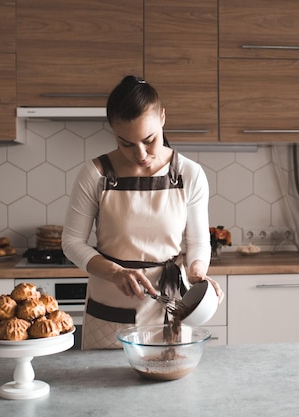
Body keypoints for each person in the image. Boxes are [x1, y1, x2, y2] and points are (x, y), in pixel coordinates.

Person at [62, 75, 224, 350]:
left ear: (162, 117)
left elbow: (197, 242)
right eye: (126, 143)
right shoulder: (96, 175)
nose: (140, 154)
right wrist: (115, 272)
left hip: (170, 304)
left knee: (169, 385)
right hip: (112, 305)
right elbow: (71, 243)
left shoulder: (189, 174)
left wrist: (197, 273)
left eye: (149, 140)